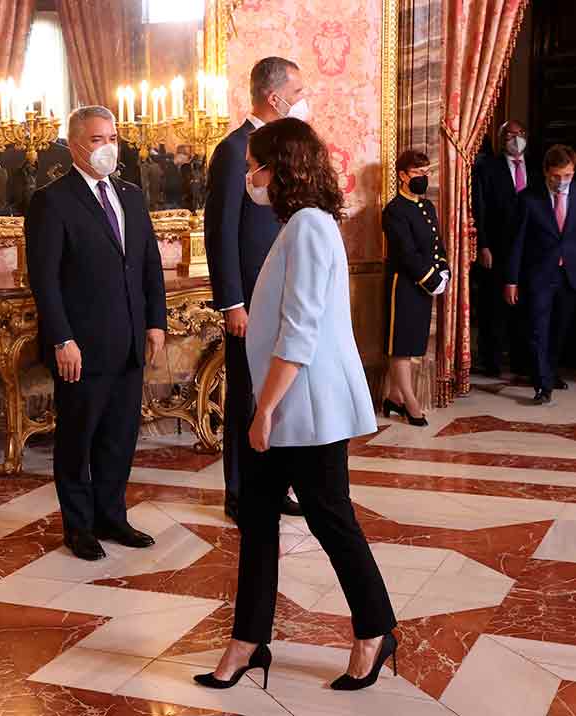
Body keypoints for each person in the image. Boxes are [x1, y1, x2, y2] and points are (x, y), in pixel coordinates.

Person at [195, 118, 396, 692]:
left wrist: (263, 411)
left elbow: (300, 330)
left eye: (256, 166)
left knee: (333, 520)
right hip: (283, 402)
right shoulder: (300, 223)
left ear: (279, 169)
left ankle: (375, 629)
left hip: (303, 409)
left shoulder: (309, 226)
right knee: (257, 523)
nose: (250, 177)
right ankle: (249, 638)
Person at [25, 105, 168, 562]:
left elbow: (147, 264)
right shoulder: (53, 200)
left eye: (112, 138)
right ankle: (79, 527)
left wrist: (155, 321)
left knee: (119, 436)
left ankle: (112, 516)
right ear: (73, 146)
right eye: (96, 140)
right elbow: (44, 280)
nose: (108, 147)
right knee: (78, 438)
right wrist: (61, 339)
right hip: (80, 347)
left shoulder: (131, 194)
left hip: (129, 341)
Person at [204, 56, 306, 522]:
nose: (301, 101)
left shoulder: (282, 148)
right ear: (273, 96)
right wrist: (232, 302)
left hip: (281, 295)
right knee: (245, 397)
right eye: (297, 92)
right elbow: (220, 231)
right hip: (246, 300)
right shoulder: (232, 150)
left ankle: (273, 485)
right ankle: (240, 494)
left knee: (277, 394)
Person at [381, 150, 449, 426]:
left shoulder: (427, 207)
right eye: (418, 173)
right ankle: (410, 403)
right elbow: (407, 253)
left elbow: (436, 245)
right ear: (403, 176)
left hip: (424, 286)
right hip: (404, 285)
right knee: (402, 346)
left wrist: (444, 269)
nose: (424, 178)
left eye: (426, 172)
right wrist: (432, 279)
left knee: (414, 344)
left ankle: (394, 397)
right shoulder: (394, 210)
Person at [505, 144, 576, 406]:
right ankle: (542, 385)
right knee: (538, 330)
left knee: (560, 330)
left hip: (570, 275)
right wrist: (511, 280)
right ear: (546, 172)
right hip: (538, 276)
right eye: (557, 176)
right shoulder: (528, 198)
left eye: (568, 176)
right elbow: (517, 243)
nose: (562, 182)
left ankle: (550, 372)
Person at [473, 121, 535, 377]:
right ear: (501, 139)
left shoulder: (535, 168)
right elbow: (480, 208)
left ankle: (521, 360)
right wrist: (483, 245)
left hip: (529, 249)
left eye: (521, 134)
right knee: (493, 307)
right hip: (497, 247)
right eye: (510, 134)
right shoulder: (487, 168)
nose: (516, 138)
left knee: (523, 306)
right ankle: (492, 360)